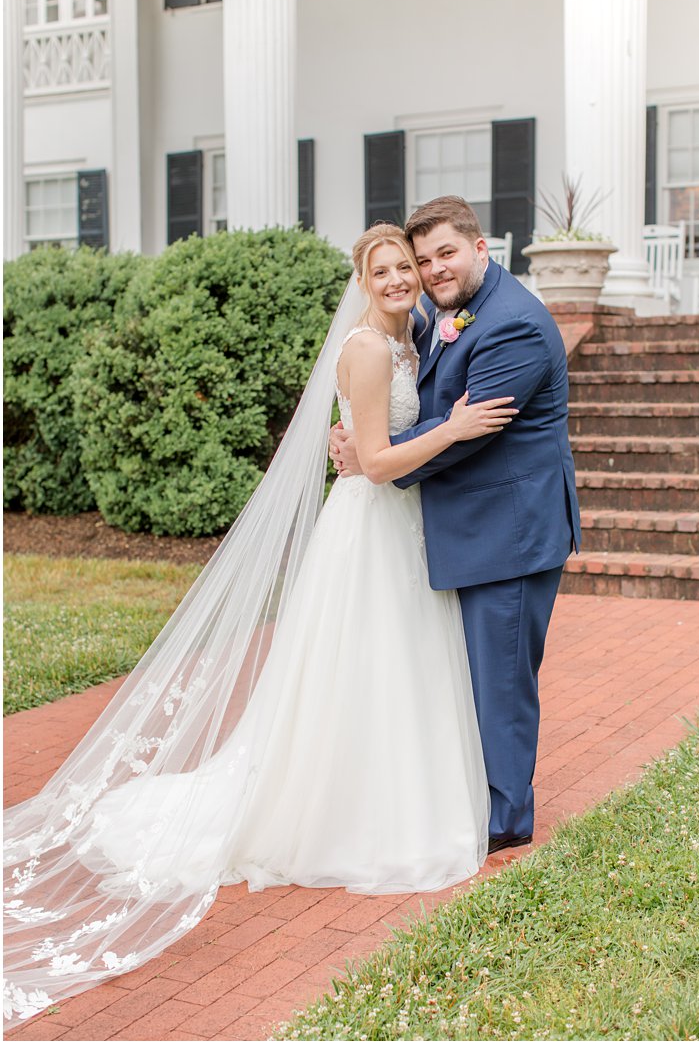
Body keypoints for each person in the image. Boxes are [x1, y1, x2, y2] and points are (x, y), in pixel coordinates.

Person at [3, 224, 514, 1021]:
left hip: (397, 528)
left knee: (387, 671)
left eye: (404, 267)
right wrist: (454, 429)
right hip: (371, 528)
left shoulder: (411, 335)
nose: (396, 279)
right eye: (380, 270)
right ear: (361, 278)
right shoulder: (372, 349)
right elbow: (377, 459)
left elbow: (366, 439)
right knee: (362, 668)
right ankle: (339, 813)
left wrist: (373, 433)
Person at [332, 197, 580, 853]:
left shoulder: (513, 325)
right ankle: (480, 799)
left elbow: (468, 436)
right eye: (424, 260)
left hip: (509, 534)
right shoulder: (449, 314)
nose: (433, 270)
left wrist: (374, 456)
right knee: (470, 677)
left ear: (481, 249)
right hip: (470, 526)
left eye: (446, 253)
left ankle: (505, 820)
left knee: (500, 682)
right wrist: (365, 439)